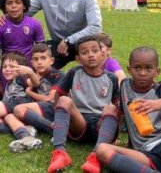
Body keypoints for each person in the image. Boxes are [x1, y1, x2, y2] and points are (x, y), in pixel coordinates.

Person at [96, 46, 161, 173]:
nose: (142, 73)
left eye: (148, 68)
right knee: (102, 150)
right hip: (146, 154)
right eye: (137, 68)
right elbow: (127, 119)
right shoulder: (124, 86)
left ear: (157, 71)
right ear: (129, 70)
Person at [47, 35, 119, 173]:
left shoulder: (111, 78)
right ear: (78, 58)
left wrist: (114, 134)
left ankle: (96, 156)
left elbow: (118, 107)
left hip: (101, 125)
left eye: (94, 51)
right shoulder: (74, 72)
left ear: (102, 53)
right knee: (64, 100)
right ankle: (59, 153)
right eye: (85, 52)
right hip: (80, 123)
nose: (90, 55)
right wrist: (58, 119)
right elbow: (58, 93)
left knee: (111, 107)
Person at [5, 43, 64, 153]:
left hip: (54, 109)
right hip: (36, 111)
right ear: (31, 62)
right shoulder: (29, 76)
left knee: (18, 109)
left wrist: (29, 92)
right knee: (9, 116)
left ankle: (55, 129)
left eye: (43, 58)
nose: (39, 62)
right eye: (36, 59)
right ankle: (28, 137)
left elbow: (49, 99)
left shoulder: (58, 75)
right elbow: (29, 82)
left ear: (51, 60)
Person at [0, 0, 45, 101]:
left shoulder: (35, 24)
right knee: (10, 102)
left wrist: (39, 74)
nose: (13, 6)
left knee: (29, 100)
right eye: (9, 3)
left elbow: (42, 53)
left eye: (18, 2)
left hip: (29, 71)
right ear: (4, 7)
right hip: (8, 71)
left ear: (24, 5)